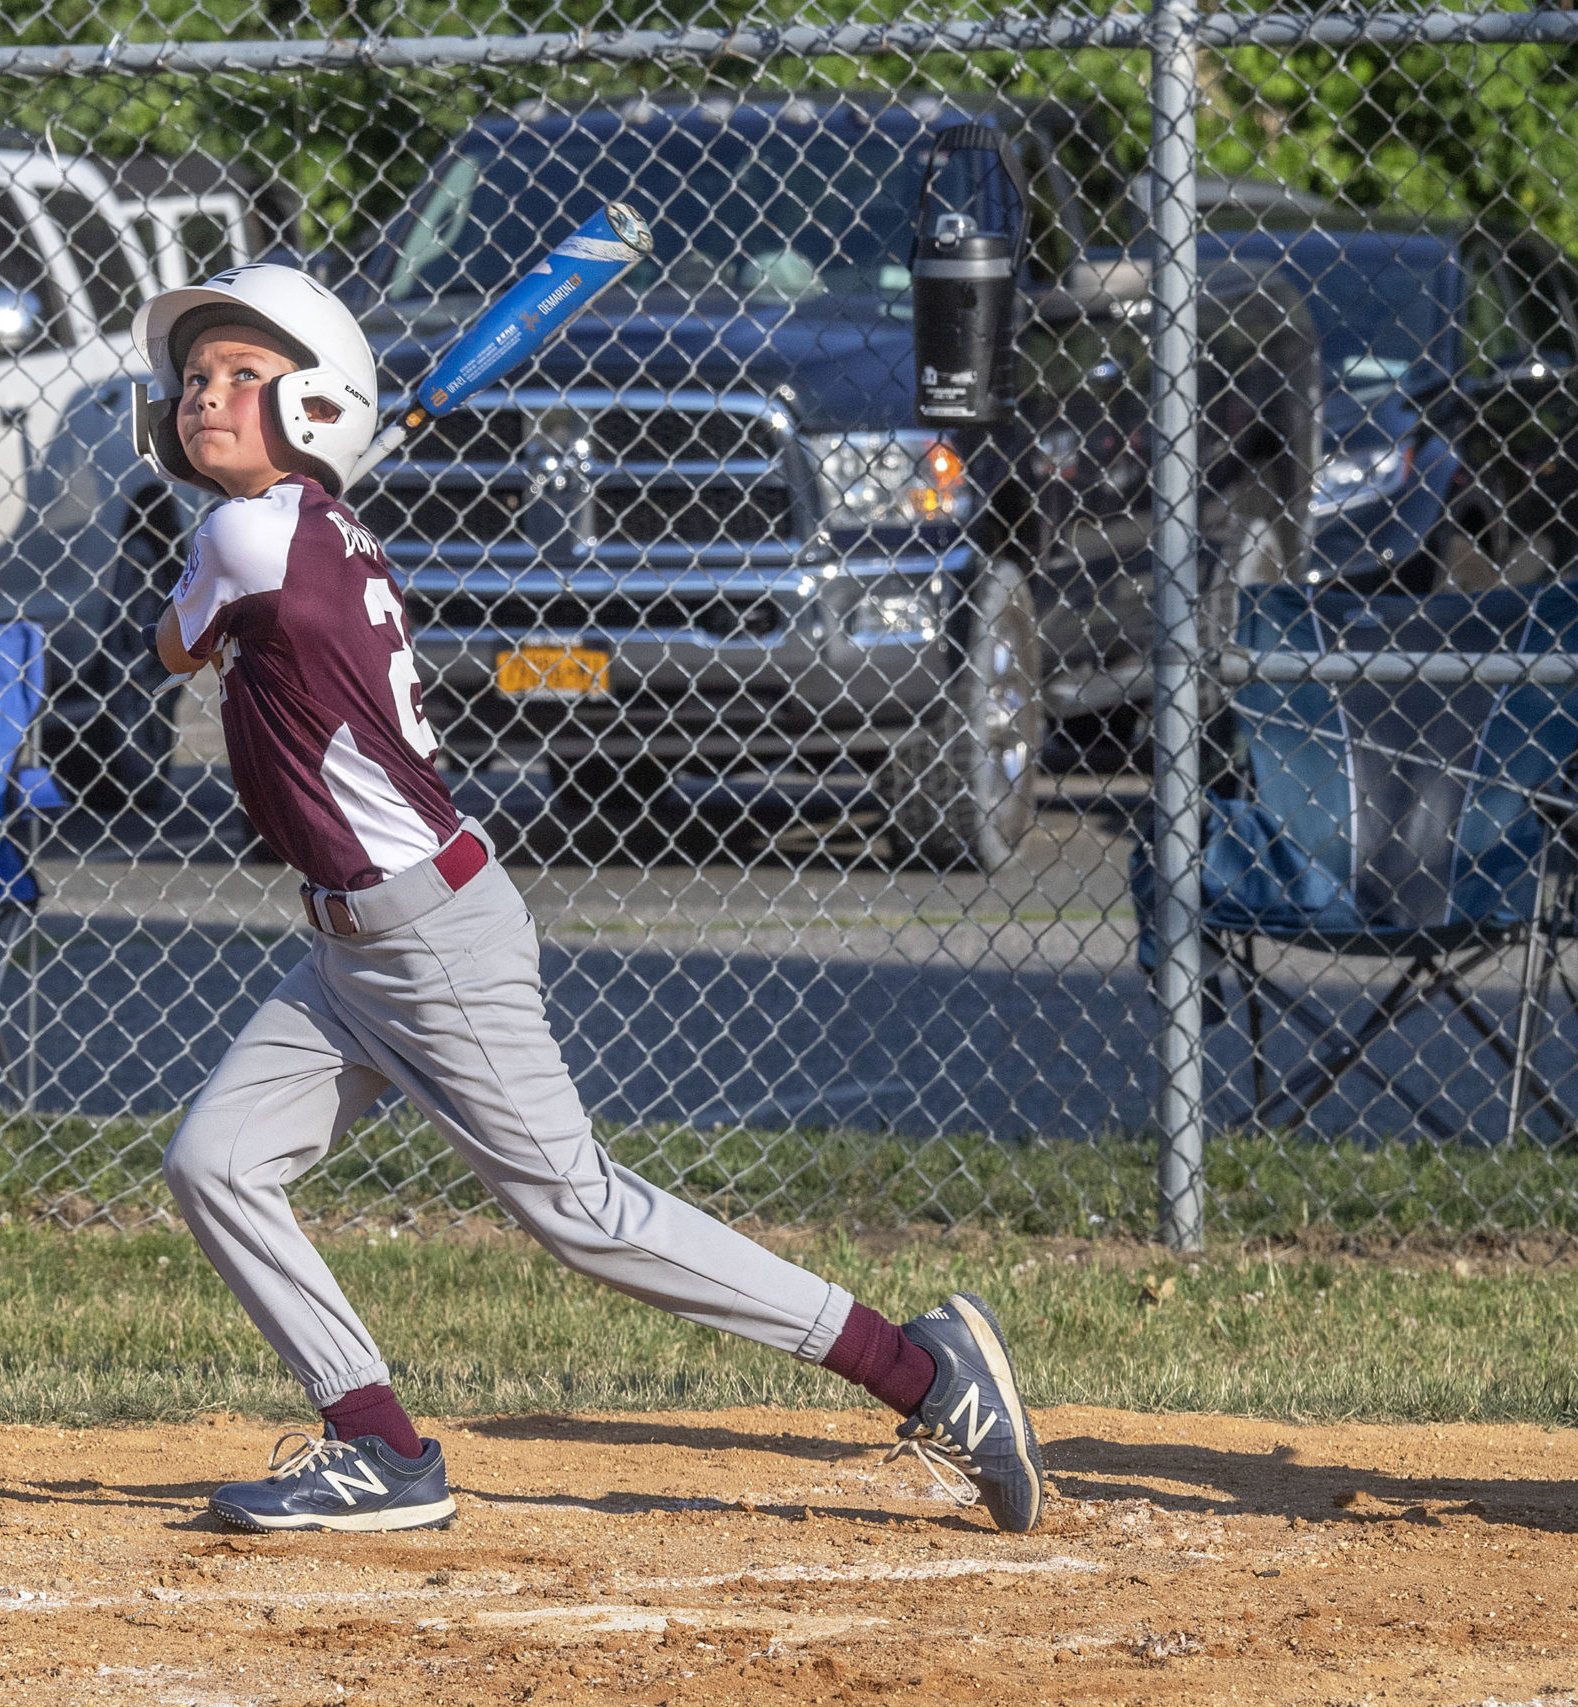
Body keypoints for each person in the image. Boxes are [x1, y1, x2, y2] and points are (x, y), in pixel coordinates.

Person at [138, 265, 1049, 1535]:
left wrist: (276, 518)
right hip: (352, 944)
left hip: (426, 940)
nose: (204, 399)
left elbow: (175, 646)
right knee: (217, 1162)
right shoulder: (304, 530)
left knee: (588, 1217)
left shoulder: (244, 535)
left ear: (318, 406)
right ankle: (379, 1447)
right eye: (193, 381)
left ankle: (924, 1371)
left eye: (244, 377)